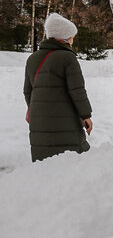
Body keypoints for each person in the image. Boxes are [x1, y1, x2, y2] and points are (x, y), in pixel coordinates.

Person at [24, 13, 93, 162]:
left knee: (45, 166)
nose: (73, 40)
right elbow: (77, 91)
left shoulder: (32, 59)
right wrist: (86, 115)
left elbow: (28, 91)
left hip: (39, 125)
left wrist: (36, 110)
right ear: (65, 38)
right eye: (72, 36)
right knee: (72, 163)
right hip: (66, 123)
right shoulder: (67, 58)